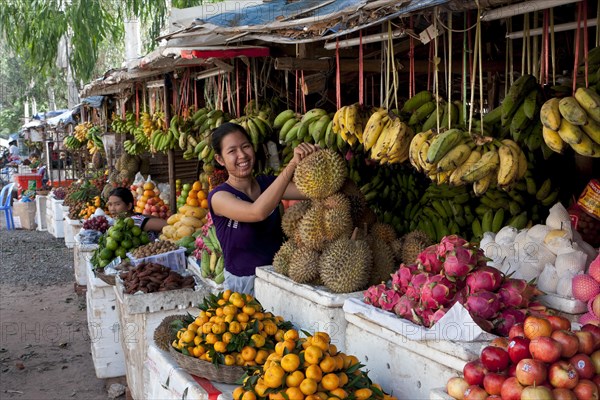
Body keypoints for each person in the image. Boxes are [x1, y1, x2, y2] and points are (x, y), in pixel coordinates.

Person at [208, 122, 319, 295]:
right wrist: (291, 165)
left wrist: (317, 159)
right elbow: (257, 212)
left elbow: (312, 190)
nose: (242, 155)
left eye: (246, 146)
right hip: (243, 287)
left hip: (277, 277)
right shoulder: (219, 197)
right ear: (220, 159)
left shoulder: (267, 183)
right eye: (232, 151)